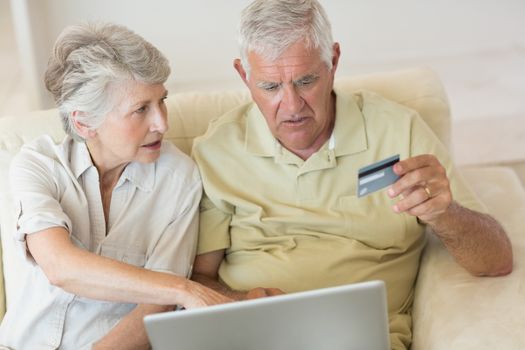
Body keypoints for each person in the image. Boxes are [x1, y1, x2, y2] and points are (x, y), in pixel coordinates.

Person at [190, 1, 513, 349]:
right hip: (252, 337)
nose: (293, 105)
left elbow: (496, 260)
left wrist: (444, 214)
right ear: (244, 76)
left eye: (306, 80)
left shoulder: (398, 130)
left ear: (334, 61)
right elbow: (199, 276)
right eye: (270, 87)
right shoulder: (215, 151)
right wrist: (237, 303)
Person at [0, 23, 231, 349]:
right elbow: (59, 266)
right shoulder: (39, 164)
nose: (162, 123)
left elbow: (157, 306)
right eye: (141, 109)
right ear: (84, 122)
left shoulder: (179, 179)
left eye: (161, 101)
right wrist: (185, 289)